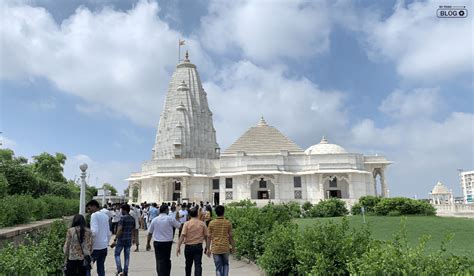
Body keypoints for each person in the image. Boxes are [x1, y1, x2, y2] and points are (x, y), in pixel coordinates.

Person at [146, 204, 181, 276]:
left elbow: (149, 233)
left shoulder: (154, 220)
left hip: (157, 242)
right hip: (167, 243)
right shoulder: (170, 219)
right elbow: (179, 226)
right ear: (166, 210)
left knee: (159, 260)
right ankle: (166, 273)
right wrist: (178, 219)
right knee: (167, 259)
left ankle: (160, 274)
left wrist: (148, 243)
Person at [176, 207, 210, 276]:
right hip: (198, 247)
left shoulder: (186, 224)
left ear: (189, 215)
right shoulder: (202, 224)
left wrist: (178, 247)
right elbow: (207, 236)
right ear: (197, 214)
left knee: (188, 264)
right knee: (198, 264)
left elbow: (182, 235)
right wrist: (207, 247)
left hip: (188, 247)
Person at [207, 205, 235, 276]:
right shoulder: (228, 223)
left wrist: (208, 249)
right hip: (225, 248)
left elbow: (209, 237)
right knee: (225, 264)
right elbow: (231, 236)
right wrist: (233, 247)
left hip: (215, 248)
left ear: (216, 213)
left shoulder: (211, 223)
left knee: (218, 268)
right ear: (223, 212)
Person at [86, 200, 111, 276]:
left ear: (94, 206)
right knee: (101, 268)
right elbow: (108, 233)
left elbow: (94, 232)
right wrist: (106, 243)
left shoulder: (94, 215)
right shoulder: (105, 216)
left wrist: (89, 243)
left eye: (89, 208)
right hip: (104, 247)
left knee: (87, 267)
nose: (88, 211)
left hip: (95, 247)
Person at [111, 204, 135, 276]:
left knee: (117, 254)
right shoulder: (132, 218)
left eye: (121, 209)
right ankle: (125, 271)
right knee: (127, 256)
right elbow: (133, 229)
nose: (121, 211)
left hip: (121, 239)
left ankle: (119, 270)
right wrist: (134, 238)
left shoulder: (122, 218)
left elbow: (120, 229)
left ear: (124, 210)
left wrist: (115, 239)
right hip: (128, 239)